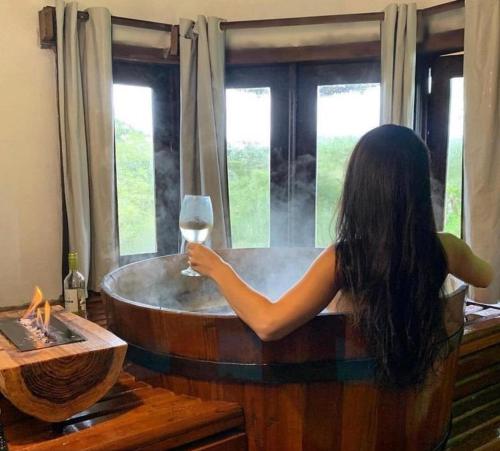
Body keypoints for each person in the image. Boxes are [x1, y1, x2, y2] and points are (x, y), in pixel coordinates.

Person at [187, 125, 493, 387]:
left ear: (360, 188)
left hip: (350, 397)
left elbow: (268, 324)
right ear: (420, 186)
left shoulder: (344, 259)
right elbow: (487, 277)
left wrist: (218, 267)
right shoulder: (445, 248)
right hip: (412, 394)